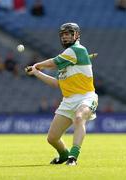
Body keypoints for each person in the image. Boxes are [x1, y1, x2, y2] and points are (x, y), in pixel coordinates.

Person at [25, 22, 98, 166]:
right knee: (52, 138)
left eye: (68, 34)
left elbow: (53, 62)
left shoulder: (77, 50)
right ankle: (64, 154)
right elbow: (56, 83)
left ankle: (73, 157)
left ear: (76, 35)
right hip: (68, 101)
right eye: (63, 35)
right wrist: (36, 73)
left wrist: (37, 65)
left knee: (79, 117)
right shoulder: (66, 61)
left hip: (86, 96)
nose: (65, 37)